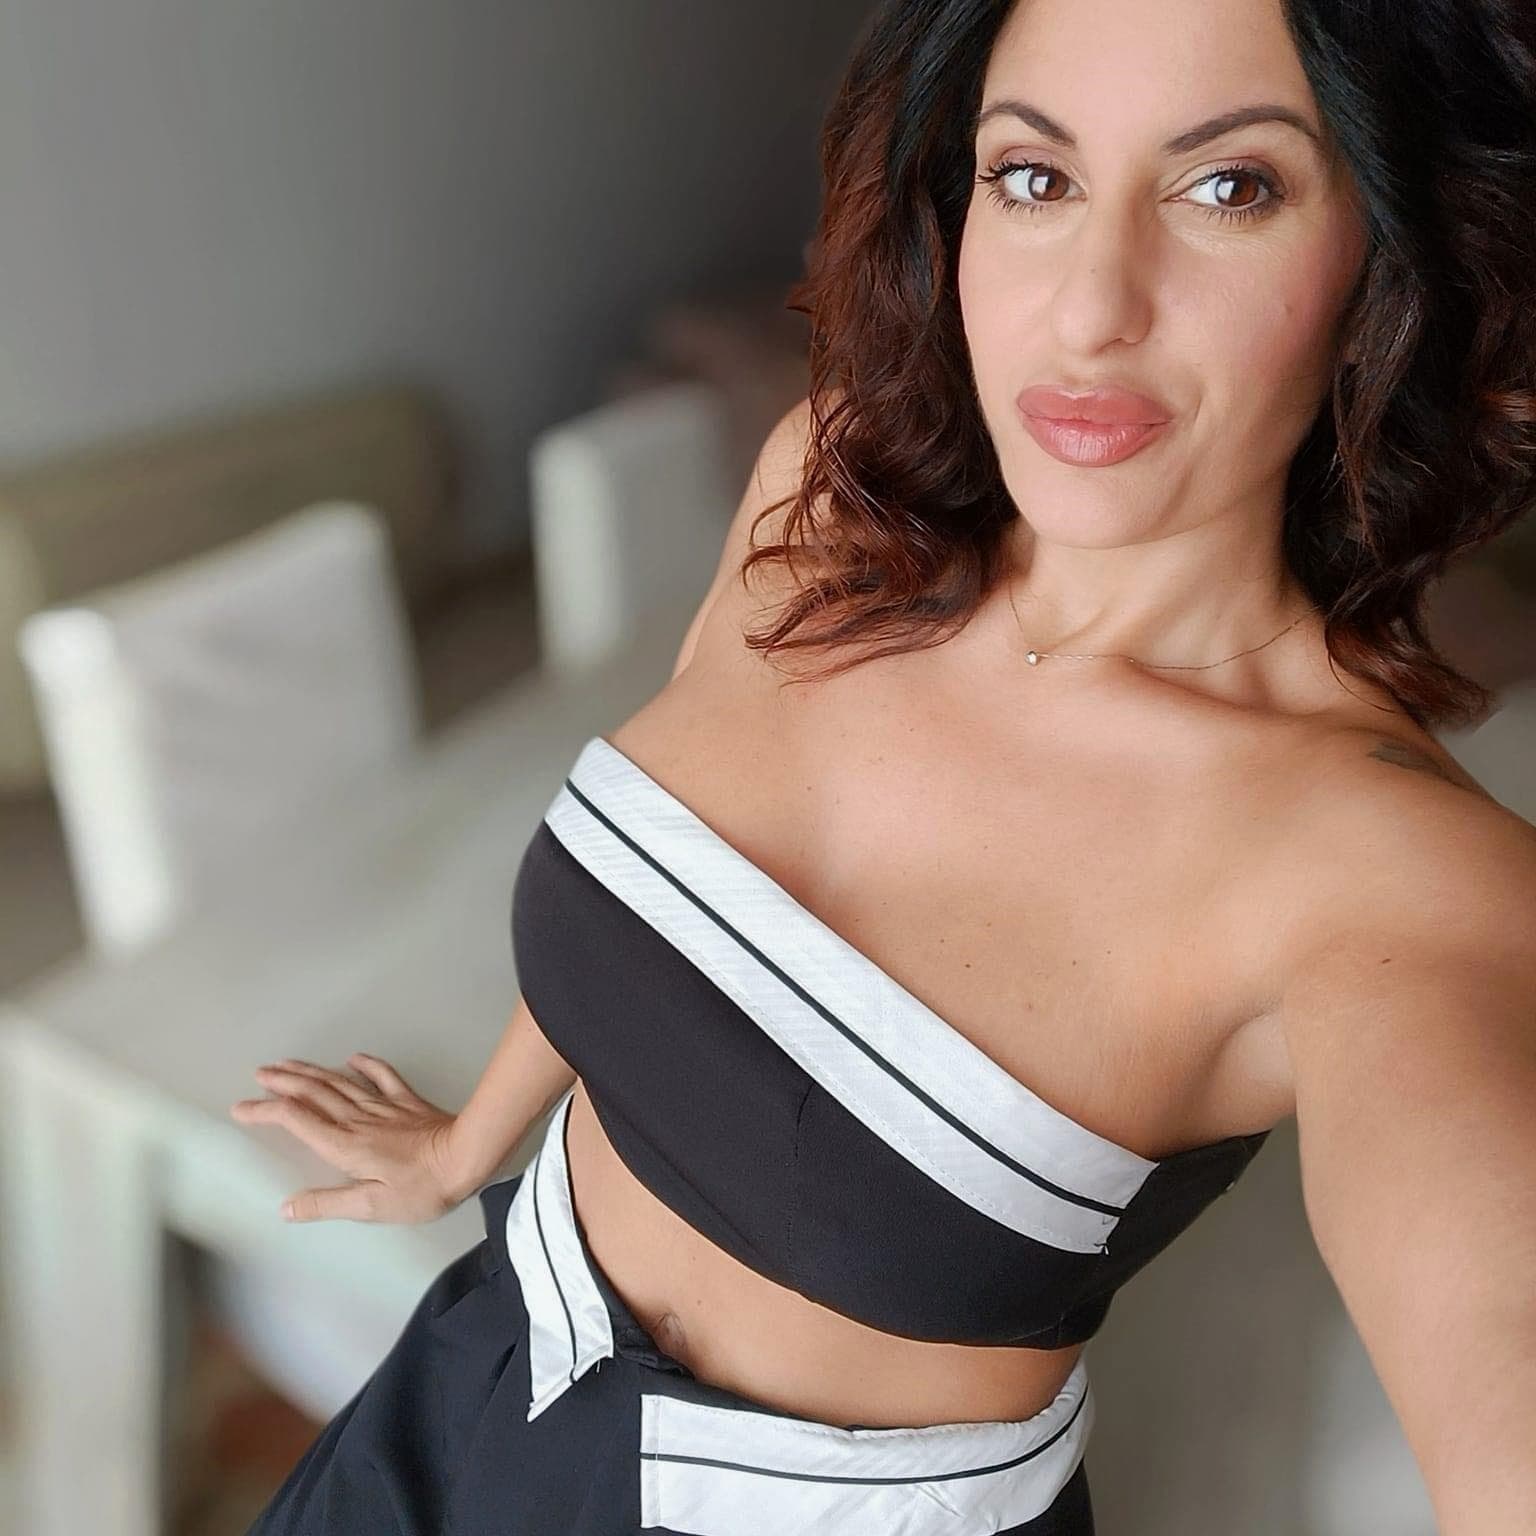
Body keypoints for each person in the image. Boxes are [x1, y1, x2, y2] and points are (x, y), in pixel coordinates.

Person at [231, 0, 1536, 1530]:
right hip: (472, 1376)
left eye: (1228, 187)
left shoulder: (1393, 875)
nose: (1091, 308)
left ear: (1392, 256)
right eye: (1034, 177)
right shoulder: (833, 493)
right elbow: (661, 900)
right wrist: (468, 1144)